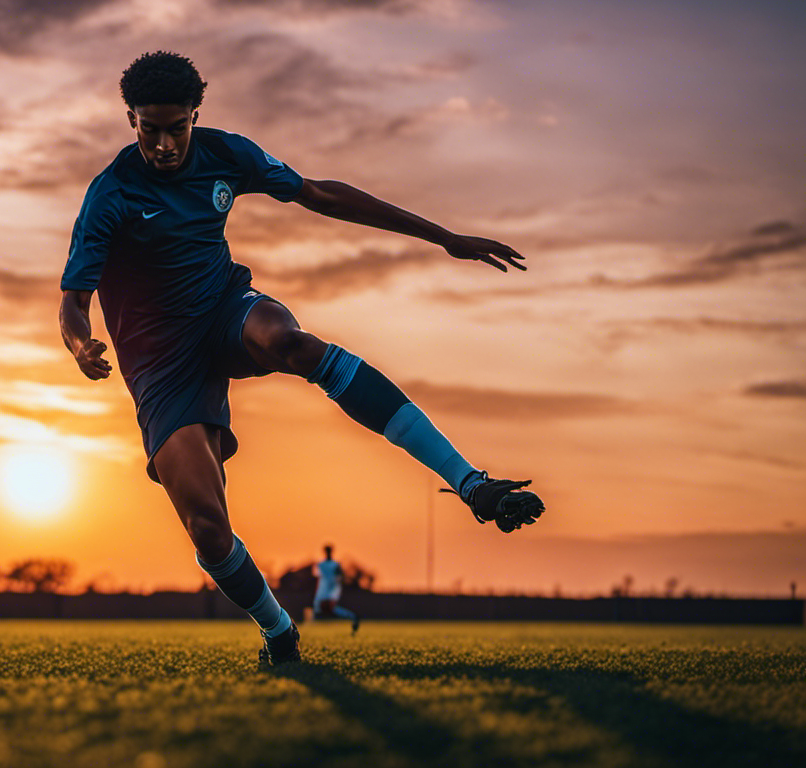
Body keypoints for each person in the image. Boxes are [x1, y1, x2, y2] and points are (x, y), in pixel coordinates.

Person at [59, 51, 545, 666]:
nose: (162, 144)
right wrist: (81, 346)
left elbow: (316, 192)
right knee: (208, 528)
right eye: (148, 129)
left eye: (175, 127)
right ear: (130, 120)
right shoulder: (110, 195)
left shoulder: (226, 154)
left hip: (222, 308)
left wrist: (444, 236)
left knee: (291, 341)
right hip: (160, 362)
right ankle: (278, 630)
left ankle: (472, 484)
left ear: (194, 116)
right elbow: (72, 302)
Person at [313, 545, 360, 634]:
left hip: (331, 590)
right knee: (322, 609)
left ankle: (353, 617)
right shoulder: (321, 565)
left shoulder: (335, 565)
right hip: (323, 589)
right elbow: (318, 578)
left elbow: (340, 577)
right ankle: (353, 617)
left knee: (329, 608)